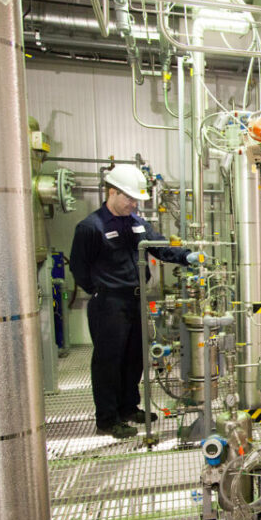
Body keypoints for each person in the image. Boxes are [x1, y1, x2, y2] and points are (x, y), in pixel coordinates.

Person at [70, 164, 206, 438]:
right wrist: (99, 290)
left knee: (134, 357)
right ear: (112, 193)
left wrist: (186, 256)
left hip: (136, 300)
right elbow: (78, 267)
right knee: (109, 360)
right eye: (129, 198)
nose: (133, 204)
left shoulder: (137, 224)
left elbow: (160, 246)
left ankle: (127, 407)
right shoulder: (90, 227)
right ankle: (107, 419)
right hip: (109, 303)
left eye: (136, 199)